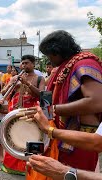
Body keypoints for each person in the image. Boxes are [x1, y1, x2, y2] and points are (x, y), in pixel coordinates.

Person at [25, 30, 102, 179]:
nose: (48, 59)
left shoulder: (85, 63)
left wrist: (52, 110)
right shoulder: (61, 68)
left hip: (80, 141)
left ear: (57, 52)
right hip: (59, 135)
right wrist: (42, 112)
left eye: (48, 55)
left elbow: (97, 101)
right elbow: (49, 96)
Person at [0, 54, 45, 175]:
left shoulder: (39, 78)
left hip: (31, 112)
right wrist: (10, 84)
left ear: (33, 64)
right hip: (15, 111)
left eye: (27, 63)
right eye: (23, 63)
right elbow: (4, 92)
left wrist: (27, 84)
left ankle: (29, 168)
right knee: (12, 136)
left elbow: (41, 95)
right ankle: (11, 166)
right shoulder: (16, 77)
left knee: (30, 136)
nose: (24, 65)